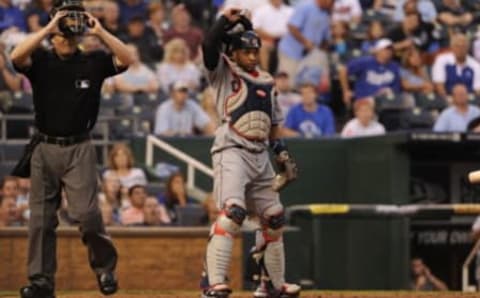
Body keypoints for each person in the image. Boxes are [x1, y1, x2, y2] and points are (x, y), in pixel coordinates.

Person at [9, 0, 133, 296]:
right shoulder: (41, 59)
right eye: (66, 21)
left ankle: (105, 269)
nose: (70, 27)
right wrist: (48, 28)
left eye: (73, 20)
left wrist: (100, 31)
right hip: (44, 147)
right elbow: (15, 57)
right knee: (40, 219)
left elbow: (126, 59)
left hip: (79, 147)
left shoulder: (92, 61)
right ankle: (41, 282)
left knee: (88, 215)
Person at [200, 8, 300, 298]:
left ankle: (272, 285)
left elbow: (274, 123)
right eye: (246, 51)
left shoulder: (268, 81)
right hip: (231, 149)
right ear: (234, 51)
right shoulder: (222, 71)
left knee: (275, 216)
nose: (252, 56)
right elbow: (208, 44)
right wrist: (225, 20)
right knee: (233, 212)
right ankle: (213, 283)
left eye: (255, 51)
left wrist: (281, 152)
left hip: (260, 154)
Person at [277, 0, 333, 86]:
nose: (332, 2)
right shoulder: (306, 6)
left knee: (304, 85)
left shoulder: (326, 13)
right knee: (287, 84)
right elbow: (292, 26)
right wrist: (305, 42)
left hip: (309, 55)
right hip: (291, 52)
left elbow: (325, 38)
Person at [339, 38, 402, 107]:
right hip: (364, 101)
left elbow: (396, 88)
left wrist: (388, 91)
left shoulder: (395, 66)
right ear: (378, 50)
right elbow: (343, 70)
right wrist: (346, 91)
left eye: (390, 50)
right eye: (385, 49)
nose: (388, 52)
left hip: (385, 103)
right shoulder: (365, 62)